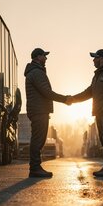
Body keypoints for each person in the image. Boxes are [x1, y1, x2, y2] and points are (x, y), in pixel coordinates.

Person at [67, 49, 103, 177]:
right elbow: (88, 92)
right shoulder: (97, 75)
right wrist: (72, 99)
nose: (93, 60)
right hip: (99, 113)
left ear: (102, 58)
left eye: (95, 58)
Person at [24, 48, 70, 178]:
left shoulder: (34, 72)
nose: (46, 58)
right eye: (44, 56)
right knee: (38, 139)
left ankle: (35, 167)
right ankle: (35, 168)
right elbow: (46, 92)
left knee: (38, 139)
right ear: (38, 57)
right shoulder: (36, 72)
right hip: (39, 110)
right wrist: (65, 99)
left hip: (38, 109)